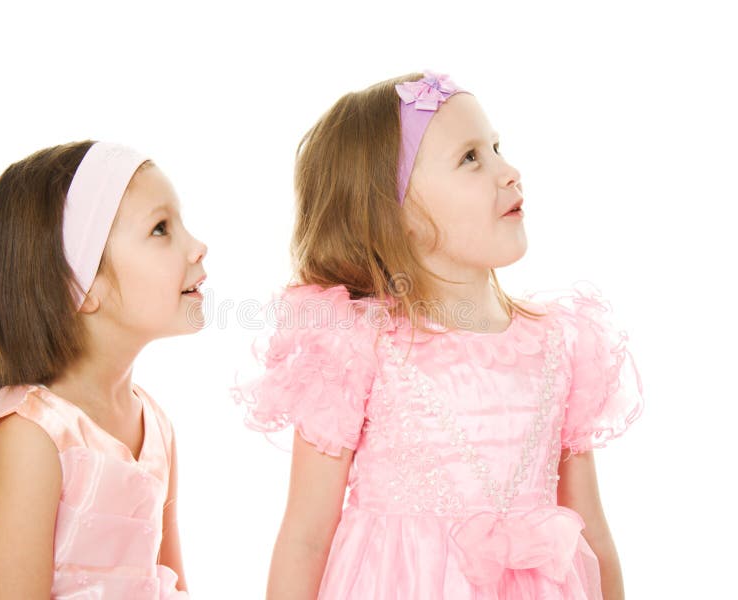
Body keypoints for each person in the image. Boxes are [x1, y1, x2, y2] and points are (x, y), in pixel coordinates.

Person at [232, 71, 645, 599]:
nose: (509, 171)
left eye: (496, 147)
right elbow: (306, 539)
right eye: (471, 157)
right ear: (392, 211)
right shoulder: (356, 344)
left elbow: (594, 535)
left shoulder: (562, 344)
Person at [0, 141, 207, 598]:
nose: (198, 247)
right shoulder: (33, 438)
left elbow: (173, 583)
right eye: (161, 229)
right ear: (82, 285)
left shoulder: (156, 426)